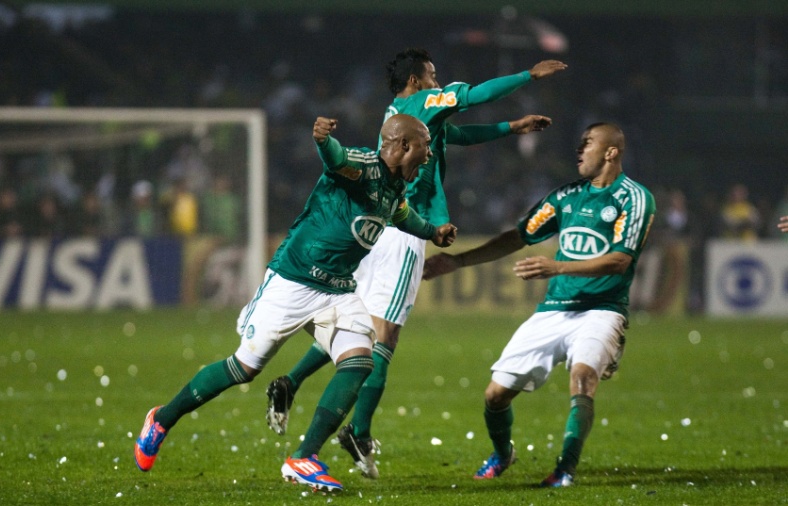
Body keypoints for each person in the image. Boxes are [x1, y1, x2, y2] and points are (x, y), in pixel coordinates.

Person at [264, 47, 566, 479]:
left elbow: (455, 137)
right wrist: (528, 76)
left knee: (359, 327)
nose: (438, 81)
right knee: (383, 338)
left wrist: (510, 128)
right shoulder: (422, 103)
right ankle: (356, 433)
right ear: (414, 79)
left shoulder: (403, 117)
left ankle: (290, 383)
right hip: (406, 228)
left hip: (376, 223)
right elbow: (474, 94)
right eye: (432, 74)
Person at [134, 114, 457, 493]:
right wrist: (323, 141)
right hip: (293, 282)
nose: (429, 151)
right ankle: (161, 419)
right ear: (403, 145)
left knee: (359, 361)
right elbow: (338, 160)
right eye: (424, 144)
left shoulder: (393, 191)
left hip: (337, 288)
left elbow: (403, 216)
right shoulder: (365, 167)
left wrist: (433, 231)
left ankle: (305, 457)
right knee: (244, 368)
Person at [422, 123, 655, 487]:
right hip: (554, 310)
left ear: (611, 152)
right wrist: (459, 262)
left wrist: (557, 266)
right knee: (495, 395)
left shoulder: (633, 198)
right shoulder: (565, 197)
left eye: (588, 143)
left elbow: (620, 260)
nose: (579, 150)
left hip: (602, 308)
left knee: (582, 380)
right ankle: (502, 453)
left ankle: (564, 471)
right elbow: (518, 236)